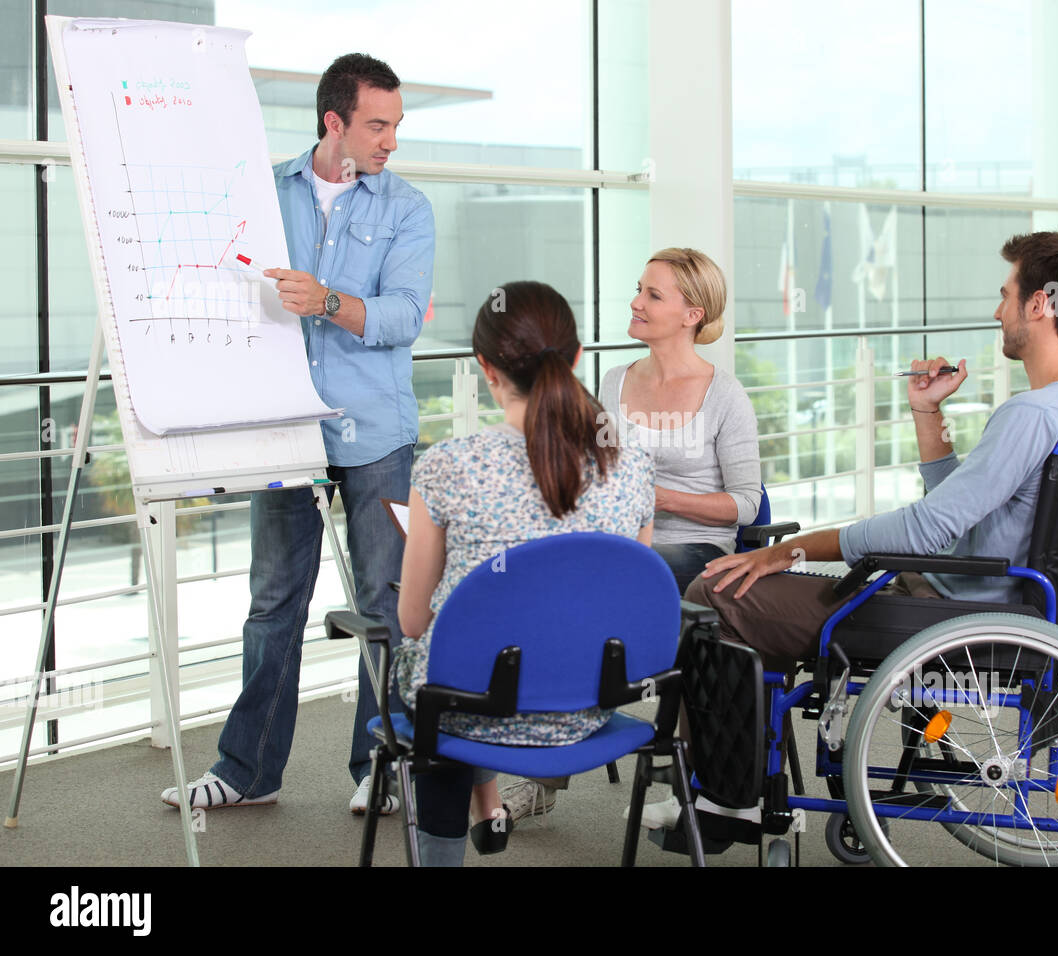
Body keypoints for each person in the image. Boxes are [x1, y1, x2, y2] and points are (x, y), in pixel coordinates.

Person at [644, 228, 1058, 827]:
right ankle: (737, 776)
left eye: (1006, 294)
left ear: (1040, 305)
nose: (999, 311)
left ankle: (725, 800)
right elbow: (957, 514)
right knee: (748, 586)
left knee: (716, 590)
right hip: (981, 596)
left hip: (947, 612)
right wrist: (927, 412)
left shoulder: (1028, 416)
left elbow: (925, 530)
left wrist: (790, 549)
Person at [162, 53, 435, 815]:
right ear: (334, 122)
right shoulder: (262, 193)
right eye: (377, 125)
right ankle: (246, 771)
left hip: (376, 432)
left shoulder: (407, 208)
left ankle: (379, 768)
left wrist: (326, 302)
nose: (390, 141)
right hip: (281, 430)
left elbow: (403, 316)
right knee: (273, 599)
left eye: (395, 125)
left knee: (385, 604)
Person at [390, 281, 655, 866]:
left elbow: (412, 620)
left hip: (472, 708)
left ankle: (448, 846)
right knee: (476, 657)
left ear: (486, 368)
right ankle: (488, 809)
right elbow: (625, 598)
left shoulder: (445, 469)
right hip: (587, 706)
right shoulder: (631, 464)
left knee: (443, 669)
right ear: (579, 357)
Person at [598, 247, 762, 596]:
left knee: (620, 576)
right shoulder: (614, 381)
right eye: (638, 289)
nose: (636, 303)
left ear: (692, 315)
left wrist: (662, 499)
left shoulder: (725, 396)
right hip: (622, 540)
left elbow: (748, 505)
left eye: (653, 295)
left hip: (697, 550)